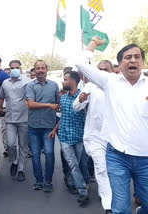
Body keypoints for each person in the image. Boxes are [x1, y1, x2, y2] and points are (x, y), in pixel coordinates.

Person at [76, 37, 148, 214]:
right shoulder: (110, 82)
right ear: (120, 64)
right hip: (118, 156)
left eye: (137, 57)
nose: (132, 60)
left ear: (143, 62)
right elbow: (80, 63)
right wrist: (93, 42)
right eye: (128, 57)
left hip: (145, 158)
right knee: (121, 208)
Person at [73, 61, 113, 212]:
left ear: (112, 71)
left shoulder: (117, 86)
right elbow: (75, 107)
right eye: (100, 69)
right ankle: (108, 204)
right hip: (95, 136)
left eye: (106, 69)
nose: (102, 72)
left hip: (115, 136)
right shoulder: (90, 86)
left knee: (113, 170)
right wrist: (81, 100)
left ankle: (115, 195)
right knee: (101, 168)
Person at [49, 70, 89, 206]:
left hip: (79, 136)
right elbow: (64, 116)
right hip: (65, 137)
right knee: (72, 164)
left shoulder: (83, 97)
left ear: (72, 81)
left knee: (77, 163)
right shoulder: (64, 98)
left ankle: (71, 181)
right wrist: (55, 129)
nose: (63, 81)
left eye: (65, 79)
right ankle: (83, 191)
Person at [0, 60, 30, 182]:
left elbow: (32, 98)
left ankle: (21, 170)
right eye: (12, 67)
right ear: (9, 69)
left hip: (24, 118)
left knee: (23, 146)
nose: (14, 69)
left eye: (17, 67)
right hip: (9, 118)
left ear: (20, 68)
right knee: (10, 144)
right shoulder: (5, 83)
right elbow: (1, 97)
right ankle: (14, 161)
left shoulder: (28, 82)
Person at [26, 60, 60, 192]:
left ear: (47, 70)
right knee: (35, 155)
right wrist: (48, 105)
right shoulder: (30, 86)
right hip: (33, 126)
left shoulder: (54, 85)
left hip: (49, 126)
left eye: (42, 68)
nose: (40, 70)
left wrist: (59, 102)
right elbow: (31, 104)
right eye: (37, 68)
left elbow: (58, 104)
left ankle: (48, 181)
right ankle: (39, 181)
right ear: (34, 71)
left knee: (50, 154)